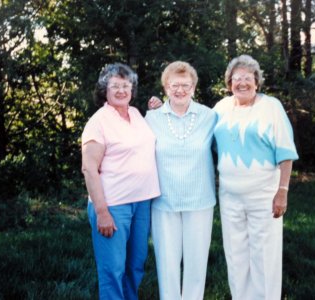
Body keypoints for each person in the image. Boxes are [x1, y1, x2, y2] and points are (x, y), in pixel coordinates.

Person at [213, 54, 299, 299]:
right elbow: (196, 131)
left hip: (264, 195)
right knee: (236, 254)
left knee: (264, 255)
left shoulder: (271, 106)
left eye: (247, 78)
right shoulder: (220, 108)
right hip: (229, 195)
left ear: (256, 81)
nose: (242, 83)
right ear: (229, 83)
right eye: (236, 78)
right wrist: (160, 108)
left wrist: (283, 191)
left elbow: (285, 151)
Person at [81, 62, 160, 300]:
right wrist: (102, 211)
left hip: (142, 203)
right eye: (114, 85)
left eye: (126, 85)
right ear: (104, 89)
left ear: (132, 89)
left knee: (135, 265)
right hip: (113, 206)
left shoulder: (136, 114)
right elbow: (89, 168)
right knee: (112, 270)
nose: (121, 90)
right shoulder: (99, 121)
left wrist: (155, 109)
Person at [145, 61, 217, 300]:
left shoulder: (209, 116)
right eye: (174, 85)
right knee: (167, 263)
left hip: (200, 199)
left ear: (194, 87)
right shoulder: (151, 118)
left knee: (197, 264)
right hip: (164, 199)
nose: (180, 90)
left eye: (186, 85)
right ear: (166, 87)